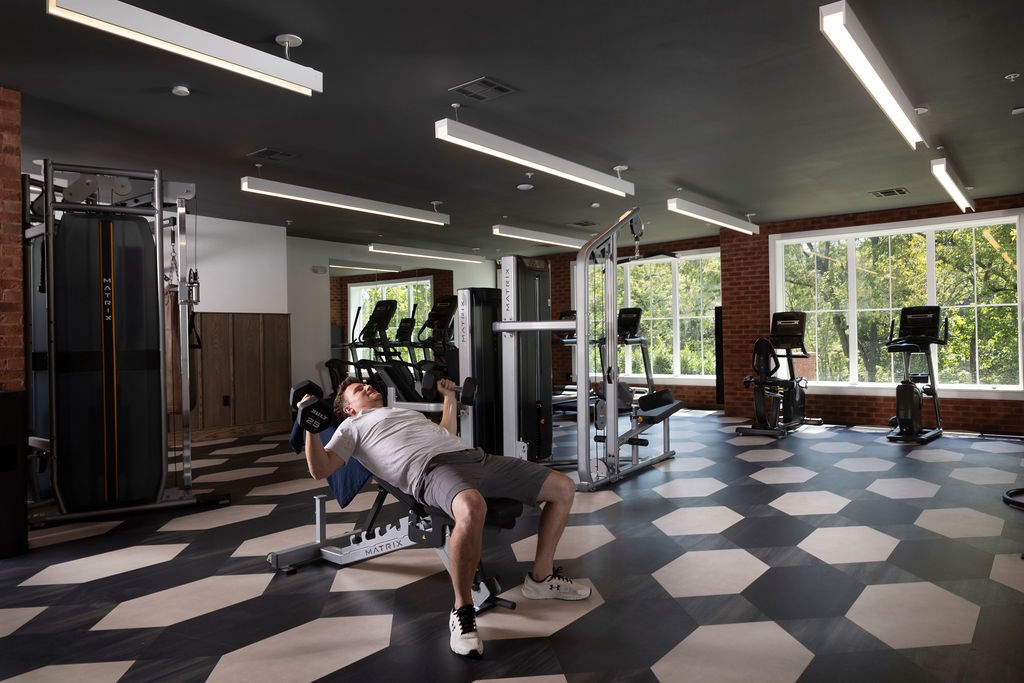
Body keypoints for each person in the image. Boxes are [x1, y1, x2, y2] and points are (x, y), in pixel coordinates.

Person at [303, 376, 590, 658]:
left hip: (475, 458)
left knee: (563, 487)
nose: (368, 386)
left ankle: (540, 578)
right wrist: (310, 426)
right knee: (472, 507)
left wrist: (449, 399)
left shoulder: (402, 413)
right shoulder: (351, 427)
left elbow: (445, 432)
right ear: (349, 408)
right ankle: (462, 611)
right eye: (358, 389)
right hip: (431, 470)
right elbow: (321, 469)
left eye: (366, 384)